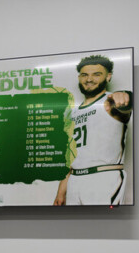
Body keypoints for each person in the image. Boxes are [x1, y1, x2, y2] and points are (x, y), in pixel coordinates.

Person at [55, 54, 131, 206]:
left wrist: (126, 96)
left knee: (105, 228)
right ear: (79, 77)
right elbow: (70, 157)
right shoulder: (72, 112)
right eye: (84, 75)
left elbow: (127, 103)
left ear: (108, 77)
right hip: (75, 180)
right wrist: (61, 189)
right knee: (74, 228)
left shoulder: (110, 103)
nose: (89, 79)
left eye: (97, 74)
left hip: (103, 177)